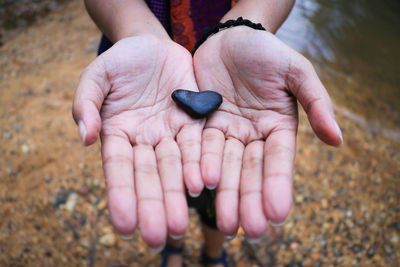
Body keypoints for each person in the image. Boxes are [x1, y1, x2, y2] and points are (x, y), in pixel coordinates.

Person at [72, 0, 343, 266]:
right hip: (144, 95)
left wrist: (247, 24)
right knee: (167, 183)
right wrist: (134, 29)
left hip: (240, 81)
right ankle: (174, 246)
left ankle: (213, 254)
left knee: (221, 187)